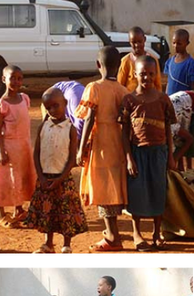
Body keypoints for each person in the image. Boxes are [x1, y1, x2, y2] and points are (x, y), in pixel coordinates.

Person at [75, 46, 130, 252]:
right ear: (119, 66)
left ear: (98, 65)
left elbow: (89, 118)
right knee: (113, 185)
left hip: (101, 142)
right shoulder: (123, 90)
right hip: (117, 141)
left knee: (102, 185)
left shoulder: (94, 87)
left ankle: (113, 236)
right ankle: (110, 232)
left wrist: (81, 147)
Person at [121, 55, 177, 251]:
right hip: (138, 153)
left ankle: (156, 232)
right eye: (142, 74)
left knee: (158, 191)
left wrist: (170, 155)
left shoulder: (163, 99)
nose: (146, 78)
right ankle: (137, 233)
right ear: (135, 74)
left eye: (151, 74)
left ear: (157, 75)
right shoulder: (129, 100)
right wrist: (129, 159)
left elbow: (169, 128)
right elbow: (125, 133)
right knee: (137, 192)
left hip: (159, 152)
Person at [24, 87, 89, 254]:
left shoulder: (71, 129)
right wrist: (41, 177)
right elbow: (37, 153)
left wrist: (61, 178)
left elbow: (72, 157)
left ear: (65, 103)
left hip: (63, 178)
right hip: (45, 177)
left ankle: (66, 244)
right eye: (48, 107)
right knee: (48, 211)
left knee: (65, 212)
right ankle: (48, 243)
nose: (52, 110)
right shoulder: (43, 127)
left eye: (56, 106)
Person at [0, 65, 36, 227]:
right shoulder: (1, 104)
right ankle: (1, 213)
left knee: (20, 177)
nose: (16, 81)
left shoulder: (24, 98)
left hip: (23, 146)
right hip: (8, 146)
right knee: (3, 179)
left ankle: (19, 209)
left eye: (19, 78)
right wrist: (1, 151)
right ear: (3, 79)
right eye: (12, 78)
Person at [118, 26, 162, 93]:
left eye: (139, 41)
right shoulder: (126, 61)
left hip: (150, 98)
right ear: (129, 42)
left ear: (144, 39)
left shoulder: (153, 60)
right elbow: (120, 85)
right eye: (134, 42)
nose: (137, 45)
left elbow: (158, 84)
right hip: (132, 99)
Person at [164, 29, 194, 95]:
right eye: (174, 43)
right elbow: (168, 82)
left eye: (179, 44)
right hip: (170, 100)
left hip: (183, 101)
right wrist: (166, 97)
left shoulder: (190, 63)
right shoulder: (169, 62)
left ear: (187, 43)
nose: (175, 46)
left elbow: (193, 86)